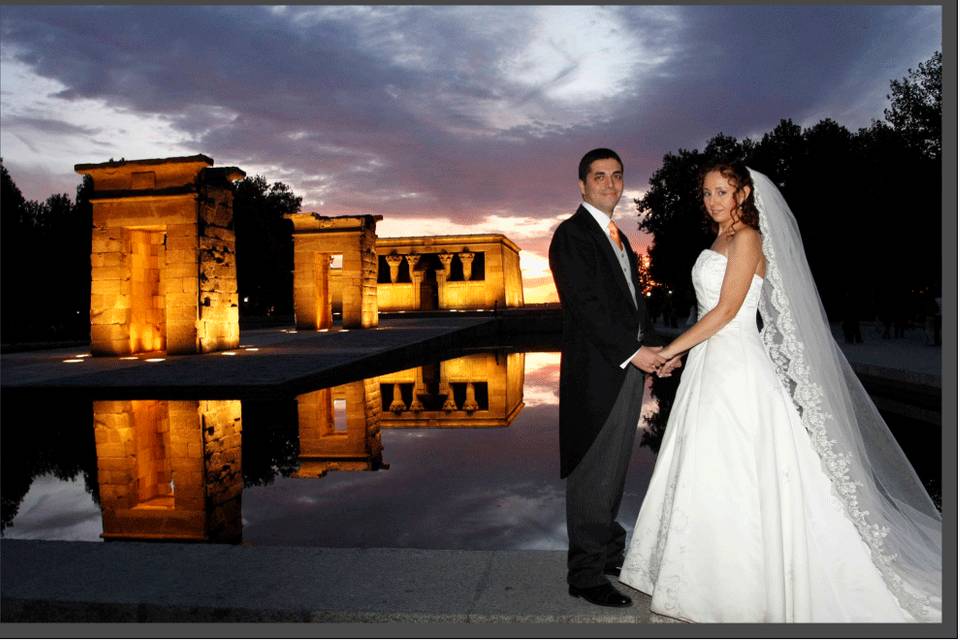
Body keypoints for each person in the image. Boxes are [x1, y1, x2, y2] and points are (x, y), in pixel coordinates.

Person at [618, 163, 942, 623]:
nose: (713, 200)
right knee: (706, 466)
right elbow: (708, 312)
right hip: (709, 364)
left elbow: (729, 310)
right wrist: (681, 356)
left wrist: (670, 348)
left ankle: (746, 585)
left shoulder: (748, 238)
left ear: (744, 193)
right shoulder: (718, 239)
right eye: (707, 192)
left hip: (737, 368)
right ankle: (706, 577)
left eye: (723, 191)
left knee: (737, 466)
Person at [548, 148, 678, 608]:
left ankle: (607, 553)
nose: (609, 183)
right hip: (595, 373)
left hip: (622, 369)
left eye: (616, 176)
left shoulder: (616, 235)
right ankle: (583, 575)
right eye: (599, 176)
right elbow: (586, 307)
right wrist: (634, 352)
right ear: (582, 185)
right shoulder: (572, 235)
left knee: (613, 470)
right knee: (592, 471)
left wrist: (657, 349)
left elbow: (628, 308)